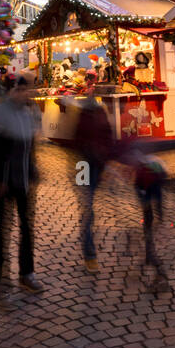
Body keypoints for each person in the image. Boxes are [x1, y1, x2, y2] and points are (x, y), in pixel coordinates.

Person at [0, 73, 43, 302]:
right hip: (5, 182)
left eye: (28, 90)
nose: (26, 94)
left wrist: (34, 170)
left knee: (27, 228)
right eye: (22, 90)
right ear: (13, 91)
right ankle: (1, 276)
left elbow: (31, 146)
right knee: (3, 229)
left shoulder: (28, 113)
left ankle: (26, 272)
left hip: (25, 180)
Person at [72, 94, 115, 272]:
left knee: (88, 207)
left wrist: (105, 162)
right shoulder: (90, 114)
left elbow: (106, 137)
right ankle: (90, 255)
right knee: (88, 208)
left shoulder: (92, 114)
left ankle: (90, 254)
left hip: (91, 164)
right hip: (86, 164)